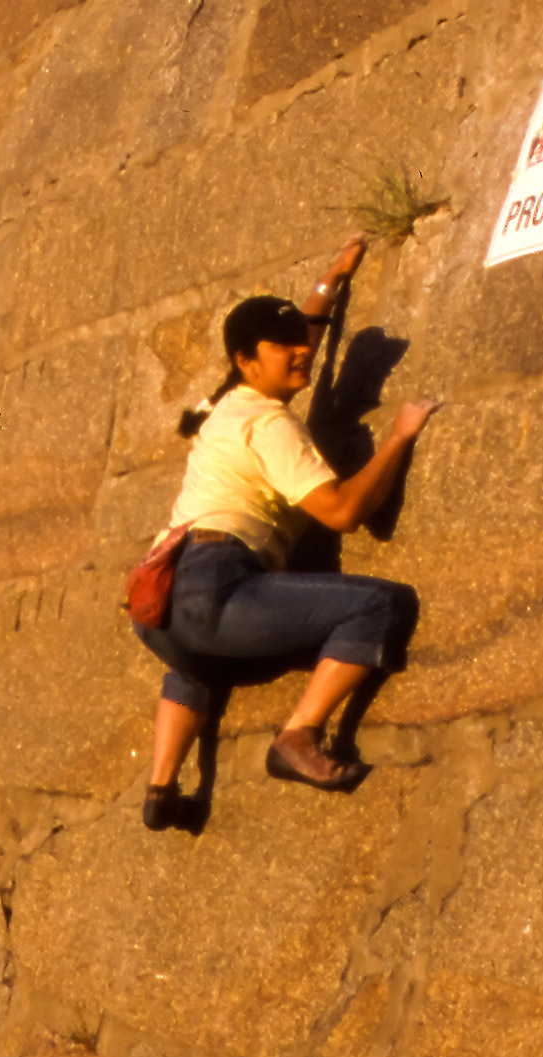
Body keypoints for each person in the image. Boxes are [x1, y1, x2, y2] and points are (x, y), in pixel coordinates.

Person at [132, 233, 436, 830]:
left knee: (196, 666)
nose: (300, 352)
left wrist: (332, 279)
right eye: (283, 347)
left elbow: (299, 338)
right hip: (211, 585)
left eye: (301, 341)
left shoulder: (228, 404)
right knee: (380, 604)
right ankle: (299, 734)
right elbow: (342, 513)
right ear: (247, 360)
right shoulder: (268, 425)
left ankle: (161, 788)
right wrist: (400, 436)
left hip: (160, 608)